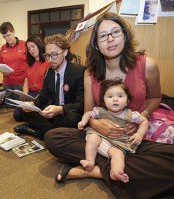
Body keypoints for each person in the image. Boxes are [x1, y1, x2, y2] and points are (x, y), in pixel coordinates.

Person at [44, 13, 174, 198]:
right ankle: (117, 166)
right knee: (53, 137)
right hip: (101, 138)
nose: (110, 39)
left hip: (134, 137)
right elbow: (89, 111)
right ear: (96, 43)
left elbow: (155, 97)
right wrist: (96, 125)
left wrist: (142, 116)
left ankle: (95, 170)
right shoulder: (90, 74)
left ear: (125, 36)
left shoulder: (147, 65)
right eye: (103, 36)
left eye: (115, 32)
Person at [13, 34, 85, 140]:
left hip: (69, 113)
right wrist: (31, 105)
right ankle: (51, 131)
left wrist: (61, 109)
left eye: (54, 55)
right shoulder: (50, 72)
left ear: (65, 52)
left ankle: (38, 133)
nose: (50, 60)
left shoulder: (79, 71)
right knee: (25, 111)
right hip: (54, 115)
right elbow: (43, 97)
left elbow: (81, 104)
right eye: (47, 55)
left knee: (72, 119)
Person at [78, 79, 149, 183]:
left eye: (120, 96)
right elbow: (88, 114)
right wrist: (83, 121)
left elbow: (144, 121)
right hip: (99, 135)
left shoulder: (130, 115)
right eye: (110, 96)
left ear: (127, 101)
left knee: (118, 154)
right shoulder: (100, 111)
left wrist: (139, 134)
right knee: (92, 138)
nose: (115, 99)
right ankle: (90, 162)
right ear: (104, 100)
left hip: (118, 143)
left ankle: (115, 172)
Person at [13, 35, 49, 121]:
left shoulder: (48, 62)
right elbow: (26, 82)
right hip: (31, 94)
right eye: (29, 49)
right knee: (17, 114)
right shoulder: (29, 64)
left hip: (43, 95)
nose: (31, 50)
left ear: (39, 45)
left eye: (33, 46)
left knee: (37, 111)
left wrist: (36, 100)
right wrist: (24, 95)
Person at [0, 22, 28, 101]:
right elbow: (0, 65)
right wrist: (2, 71)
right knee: (9, 107)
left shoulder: (24, 44)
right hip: (7, 84)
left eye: (8, 35)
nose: (7, 38)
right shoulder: (3, 48)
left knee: (21, 108)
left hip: (22, 83)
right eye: (4, 37)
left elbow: (30, 63)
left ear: (13, 32)